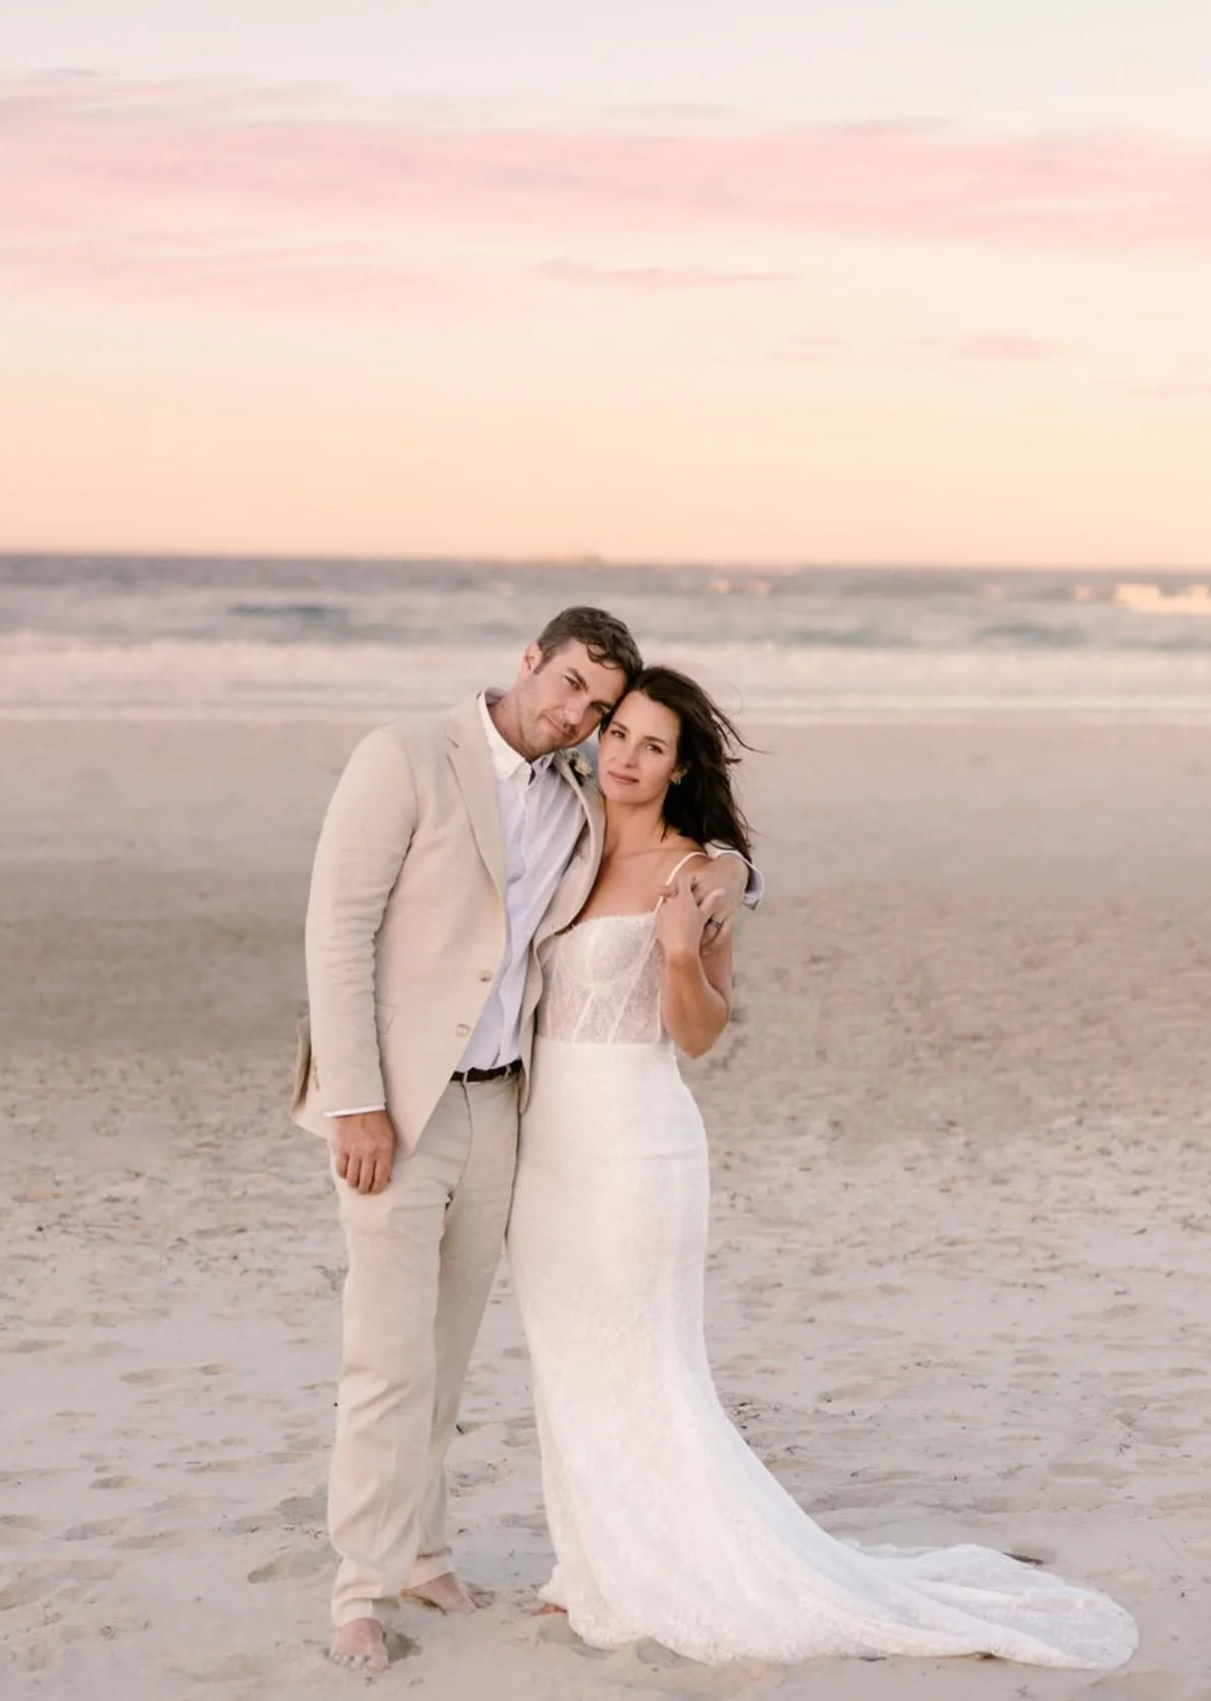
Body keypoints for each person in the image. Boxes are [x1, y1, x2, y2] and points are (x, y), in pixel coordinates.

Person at [505, 665, 1139, 1671]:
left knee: (648, 1361)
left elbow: (703, 1035)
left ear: (680, 767)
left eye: (652, 745)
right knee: (567, 1355)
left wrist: (676, 954)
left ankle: (671, 1572)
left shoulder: (698, 871)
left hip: (634, 1135)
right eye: (617, 732)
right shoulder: (558, 838)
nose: (625, 755)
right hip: (545, 1147)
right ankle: (587, 1569)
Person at [295, 610, 749, 1674]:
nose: (580, 716)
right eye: (575, 686)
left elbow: (678, 850)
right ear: (530, 659)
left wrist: (731, 868)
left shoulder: (575, 801)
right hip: (399, 1109)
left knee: (447, 1348)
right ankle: (360, 1588)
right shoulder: (405, 757)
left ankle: (421, 1551)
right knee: (385, 1357)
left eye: (601, 708)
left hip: (508, 1107)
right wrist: (356, 1100)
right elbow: (337, 928)